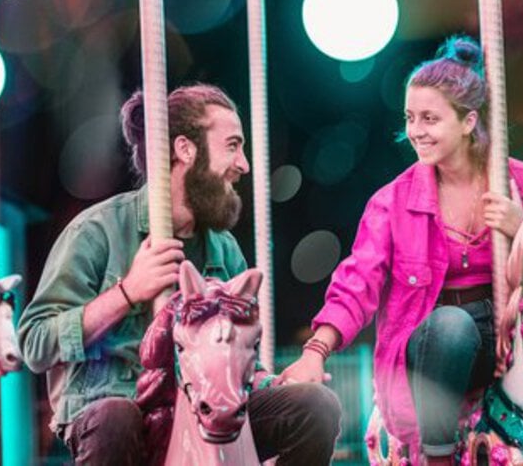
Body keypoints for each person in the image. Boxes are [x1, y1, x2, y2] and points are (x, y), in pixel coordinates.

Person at [278, 36, 523, 465]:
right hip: (439, 344)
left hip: (518, 328)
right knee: (452, 327)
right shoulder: (392, 202)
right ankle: (438, 455)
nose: (415, 130)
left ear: (469, 122)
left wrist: (522, 228)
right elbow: (358, 282)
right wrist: (314, 351)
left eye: (430, 118)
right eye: (411, 117)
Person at [18, 84, 341, 465]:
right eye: (233, 145)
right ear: (185, 149)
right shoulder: (97, 231)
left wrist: (273, 382)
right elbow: (35, 345)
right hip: (120, 405)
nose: (244, 164)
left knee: (316, 406)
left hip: (205, 405)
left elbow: (240, 364)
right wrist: (126, 292)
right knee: (115, 418)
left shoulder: (224, 249)